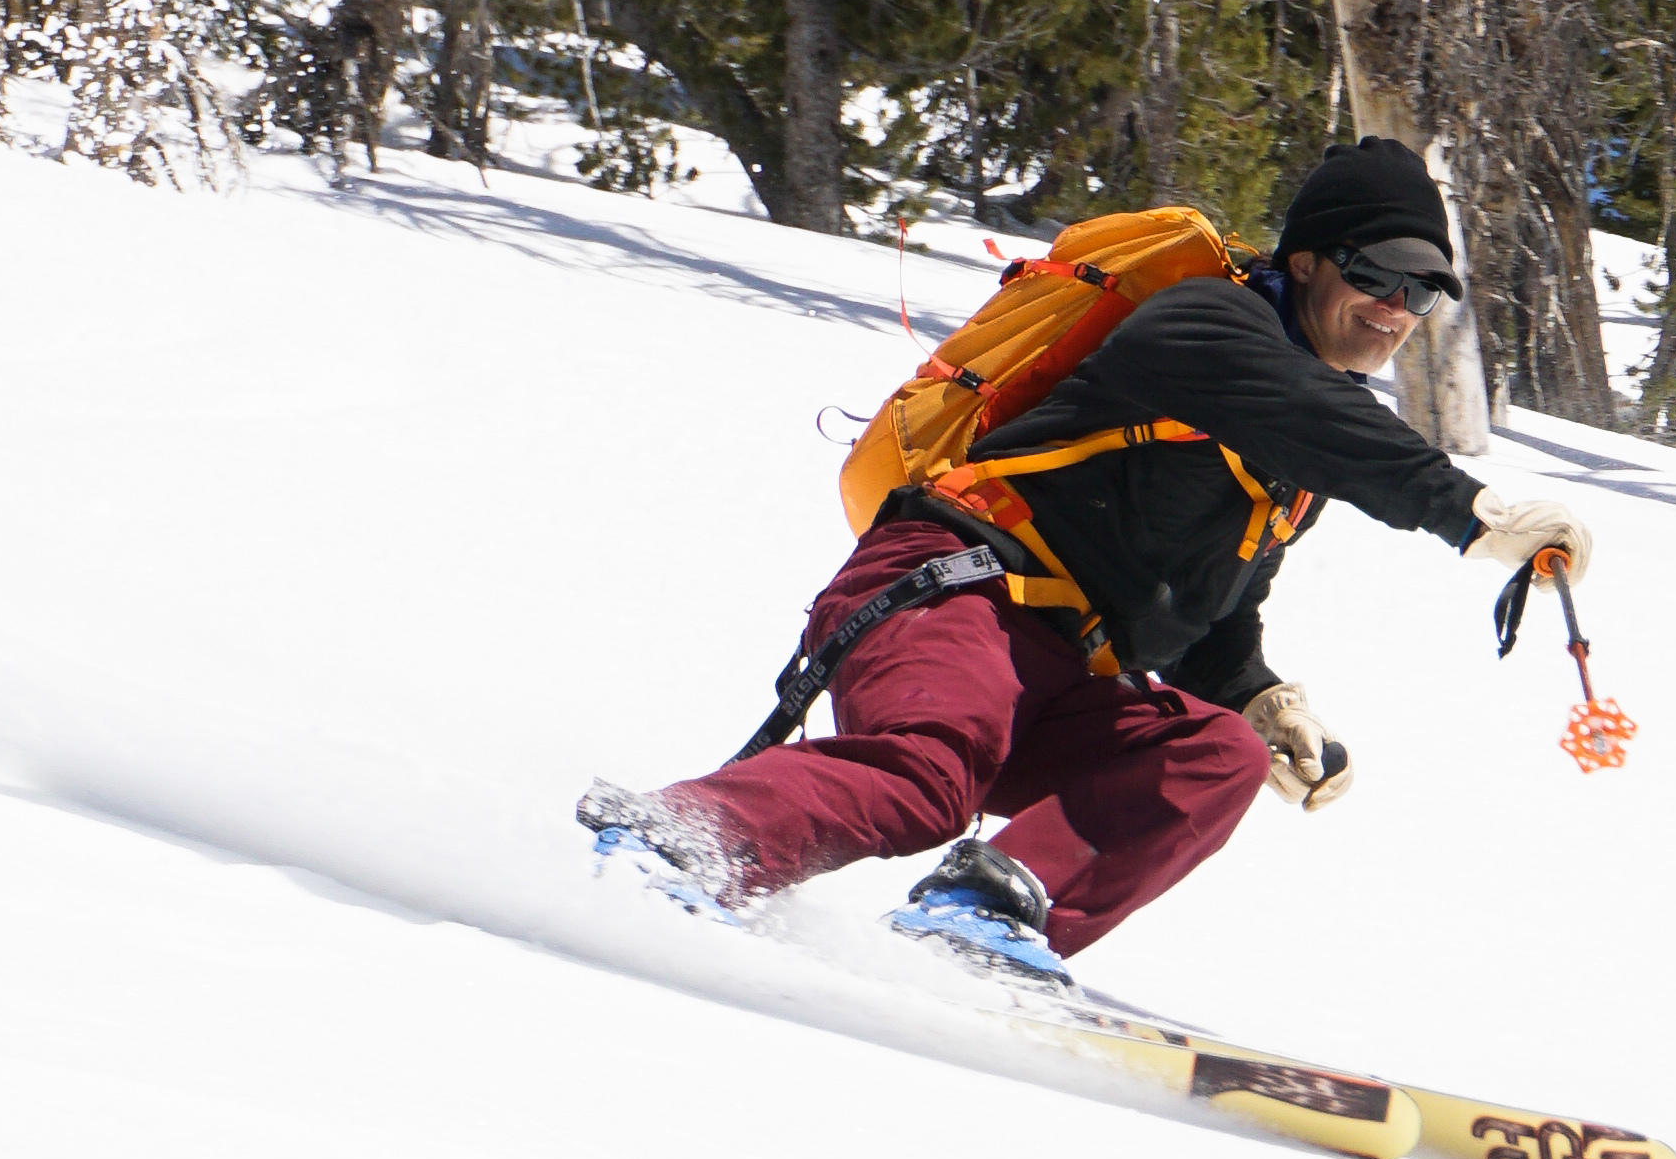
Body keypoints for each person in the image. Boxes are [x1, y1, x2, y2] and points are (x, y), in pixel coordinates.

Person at [580, 137, 1600, 980]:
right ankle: (681, 835)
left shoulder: (1297, 454)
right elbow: (1310, 412)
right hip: (951, 590)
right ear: (1305, 263)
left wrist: (1258, 698)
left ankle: (979, 924)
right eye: (1375, 275)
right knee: (929, 775)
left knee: (1214, 756)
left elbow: (1207, 612)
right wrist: (1471, 512)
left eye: (1422, 290)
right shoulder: (1204, 324)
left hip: (1058, 667)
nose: (1395, 306)